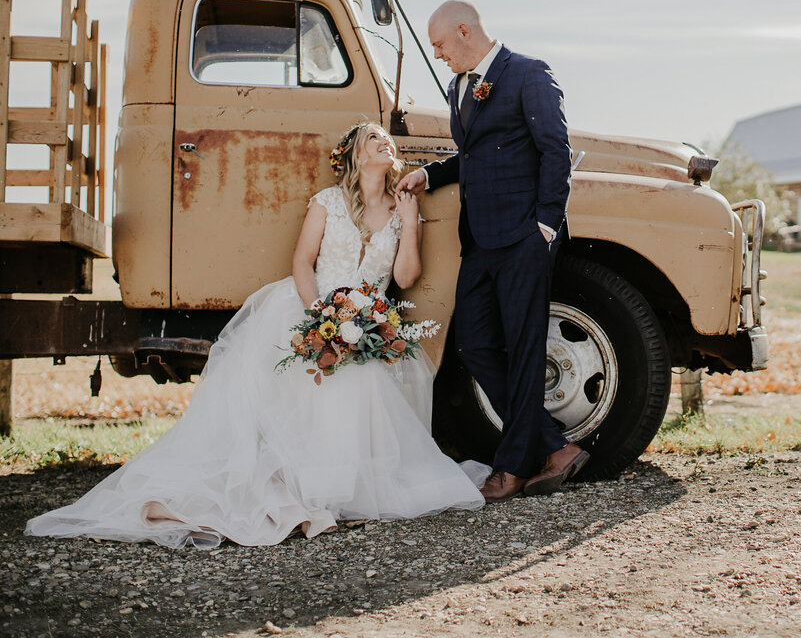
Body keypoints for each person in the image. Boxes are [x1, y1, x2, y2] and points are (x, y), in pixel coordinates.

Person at [26, 123, 485, 549]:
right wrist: (320, 319)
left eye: (389, 141)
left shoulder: (408, 209)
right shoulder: (327, 201)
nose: (387, 144)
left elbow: (405, 276)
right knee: (305, 379)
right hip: (309, 309)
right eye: (374, 140)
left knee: (360, 381)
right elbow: (303, 262)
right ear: (354, 157)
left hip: (365, 320)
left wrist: (408, 222)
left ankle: (335, 485)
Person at [398, 0, 586, 503]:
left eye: (439, 45)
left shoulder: (527, 73)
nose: (437, 55)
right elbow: (477, 155)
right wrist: (430, 174)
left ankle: (513, 465)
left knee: (525, 354)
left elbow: (555, 150)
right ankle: (554, 447)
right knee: (474, 343)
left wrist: (546, 226)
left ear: (464, 31)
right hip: (479, 241)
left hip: (524, 238)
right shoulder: (460, 85)